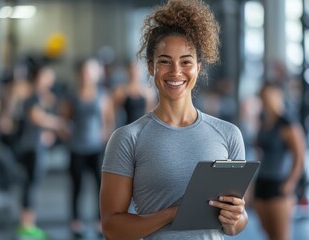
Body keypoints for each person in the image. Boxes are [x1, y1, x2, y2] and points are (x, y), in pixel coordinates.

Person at [100, 0, 249, 239]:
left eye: (186, 62)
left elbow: (237, 222)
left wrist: (236, 219)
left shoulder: (229, 134)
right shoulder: (128, 139)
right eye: (164, 61)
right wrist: (176, 213)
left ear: (198, 67)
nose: (176, 72)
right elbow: (111, 228)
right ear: (150, 66)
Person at [61, 57, 115, 238]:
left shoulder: (102, 94)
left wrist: (105, 136)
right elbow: (65, 118)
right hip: (77, 147)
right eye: (84, 72)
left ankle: (99, 220)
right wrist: (66, 134)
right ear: (79, 75)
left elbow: (109, 120)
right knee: (76, 185)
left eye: (89, 72)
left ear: (94, 75)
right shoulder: (72, 94)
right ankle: (76, 219)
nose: (86, 76)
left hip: (96, 148)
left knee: (100, 187)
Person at [16, 60, 69, 240]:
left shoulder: (43, 96)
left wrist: (49, 131)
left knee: (33, 184)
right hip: (30, 148)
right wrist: (57, 124)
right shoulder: (33, 96)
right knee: (30, 185)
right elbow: (35, 117)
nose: (51, 78)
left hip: (36, 146)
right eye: (47, 75)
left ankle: (29, 225)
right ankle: (26, 227)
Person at [253, 81, 306, 240]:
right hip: (262, 181)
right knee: (268, 234)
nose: (265, 101)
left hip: (279, 183)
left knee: (281, 237)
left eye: (269, 96)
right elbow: (259, 153)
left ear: (278, 96)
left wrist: (290, 183)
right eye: (263, 97)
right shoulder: (263, 121)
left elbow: (300, 156)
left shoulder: (287, 123)